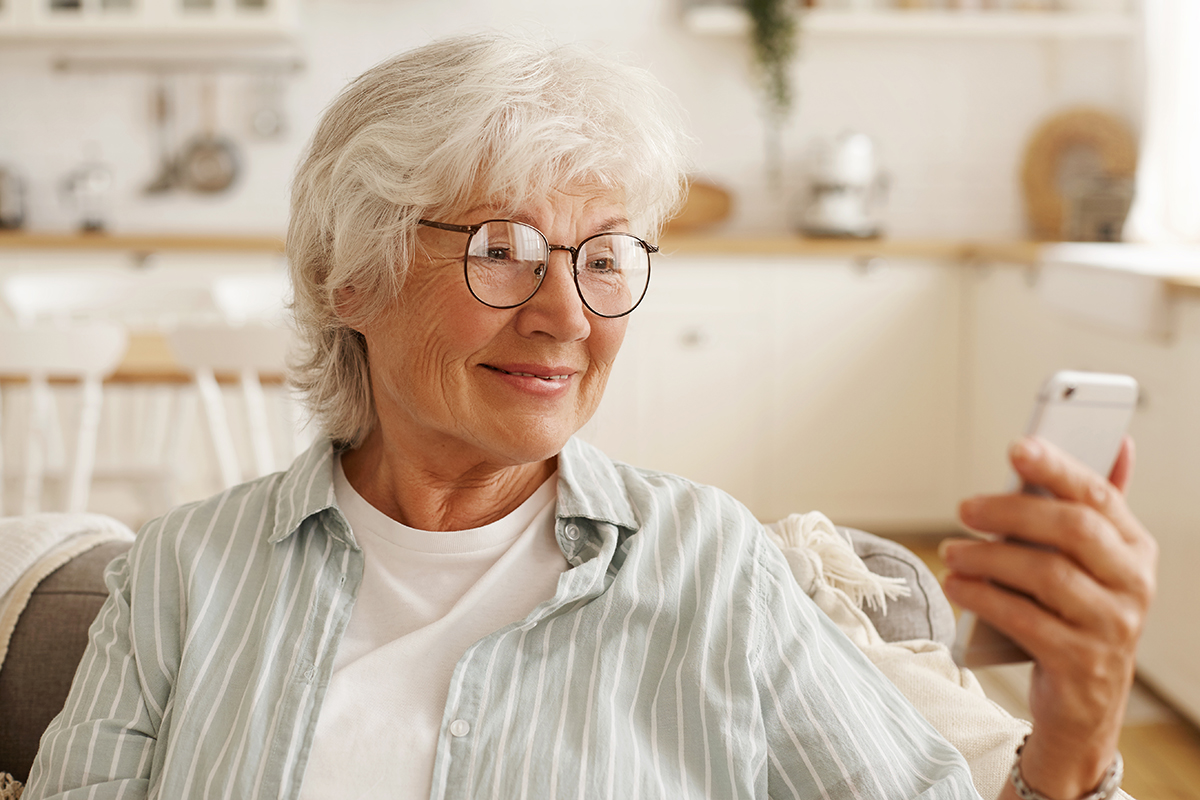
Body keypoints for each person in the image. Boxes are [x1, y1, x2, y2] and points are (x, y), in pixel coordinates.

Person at [25, 33, 1156, 800]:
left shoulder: (713, 564)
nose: (567, 315)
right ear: (346, 276)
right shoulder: (183, 573)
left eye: (606, 257)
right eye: (502, 251)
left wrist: (1070, 747)